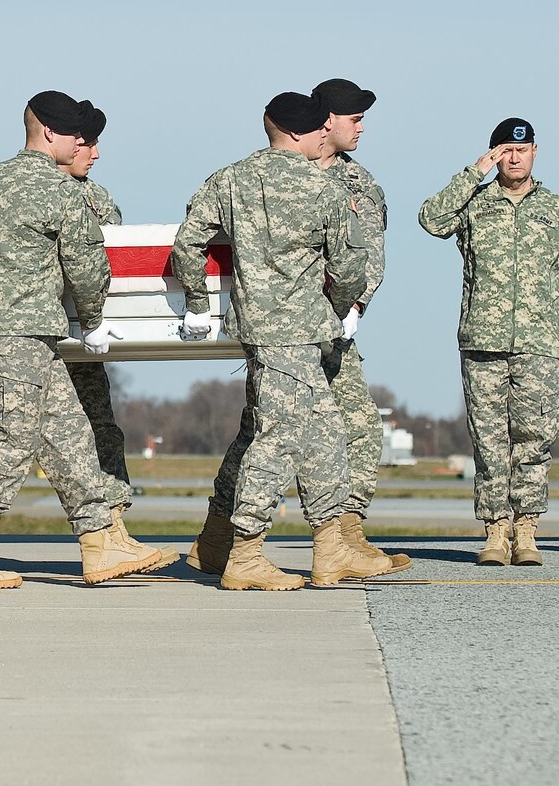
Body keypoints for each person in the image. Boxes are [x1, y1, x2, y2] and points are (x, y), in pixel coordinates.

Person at [0, 91, 171, 588]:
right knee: (10, 439)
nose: (84, 145)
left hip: (0, 331)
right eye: (76, 136)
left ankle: (100, 538)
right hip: (27, 331)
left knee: (68, 434)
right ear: (50, 134)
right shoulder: (63, 192)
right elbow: (86, 265)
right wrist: (96, 318)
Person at [173, 92, 405, 590]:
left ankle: (330, 547)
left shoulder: (230, 179)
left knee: (324, 432)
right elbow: (349, 266)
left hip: (261, 327)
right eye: (320, 128)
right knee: (277, 438)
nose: (328, 134)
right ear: (298, 133)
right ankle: (246, 552)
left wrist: (196, 302)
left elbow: (188, 241)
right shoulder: (323, 189)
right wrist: (343, 307)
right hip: (297, 331)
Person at [417, 118, 559, 567]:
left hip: (538, 342)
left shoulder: (556, 211)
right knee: (489, 441)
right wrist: (473, 173)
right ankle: (496, 530)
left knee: (534, 438)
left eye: (522, 150)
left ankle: (527, 529)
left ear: (536, 152)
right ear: (494, 153)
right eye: (504, 151)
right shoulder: (475, 205)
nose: (514, 158)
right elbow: (430, 219)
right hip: (483, 341)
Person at [310, 77, 410, 569]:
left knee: (360, 427)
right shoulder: (280, 170)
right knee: (265, 433)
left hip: (334, 330)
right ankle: (222, 533)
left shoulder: (359, 184)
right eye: (355, 119)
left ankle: (347, 532)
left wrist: (355, 308)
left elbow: (371, 257)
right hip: (280, 329)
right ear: (327, 120)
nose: (361, 129)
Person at [59, 103, 134, 511]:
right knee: (15, 441)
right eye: (88, 144)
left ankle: (113, 518)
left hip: (84, 336)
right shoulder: (39, 191)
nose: (96, 153)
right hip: (41, 334)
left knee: (100, 425)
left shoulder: (94, 196)